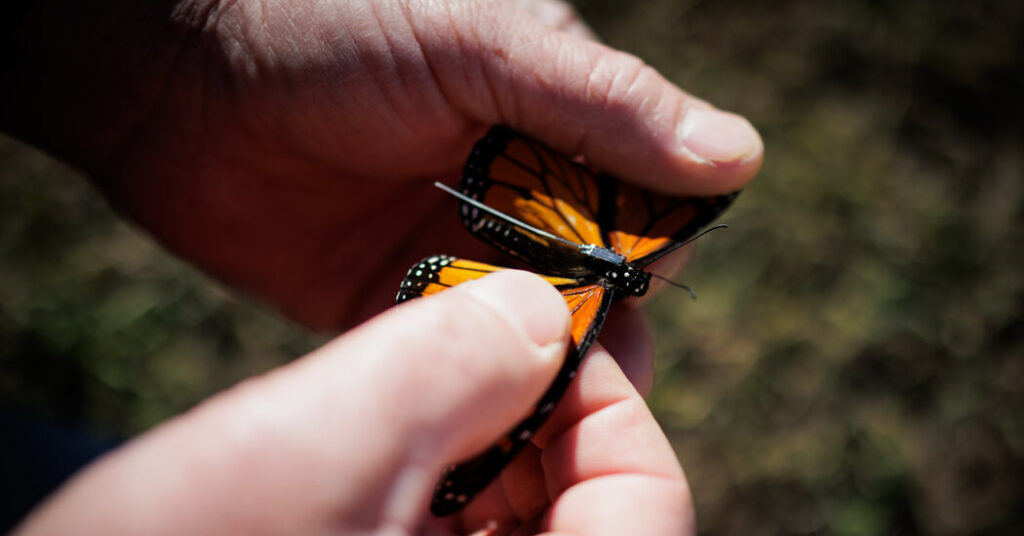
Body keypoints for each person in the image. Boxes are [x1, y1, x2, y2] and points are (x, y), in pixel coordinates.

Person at [2, 0, 762, 533]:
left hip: (547, 207)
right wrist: (190, 39)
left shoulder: (605, 280)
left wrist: (179, 47)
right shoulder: (602, 283)